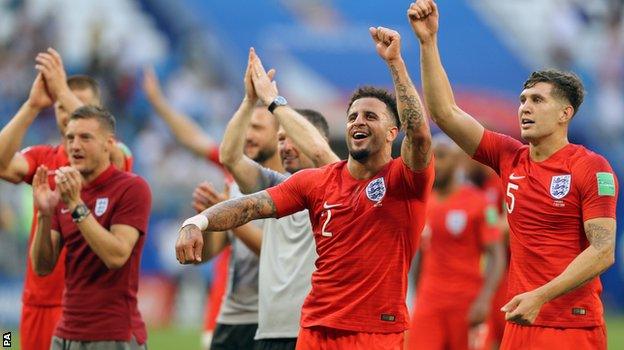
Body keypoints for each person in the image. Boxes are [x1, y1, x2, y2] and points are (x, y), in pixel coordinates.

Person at [176, 26, 434, 350]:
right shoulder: (317, 181)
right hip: (314, 330)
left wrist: (395, 63)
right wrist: (196, 222)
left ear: (392, 132)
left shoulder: (403, 181)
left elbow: (421, 135)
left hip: (374, 334)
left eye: (371, 116)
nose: (358, 121)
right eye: (353, 115)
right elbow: (249, 206)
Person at [409, 1, 618, 348]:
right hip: (521, 321)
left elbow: (603, 251)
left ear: (565, 113)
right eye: (523, 100)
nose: (525, 107)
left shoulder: (590, 167)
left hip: (569, 326)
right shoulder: (509, 157)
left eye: (537, 100)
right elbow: (444, 113)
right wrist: (428, 43)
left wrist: (541, 295)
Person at [0, 48, 133, 350]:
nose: (72, 114)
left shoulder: (117, 155)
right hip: (39, 300)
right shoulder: (43, 157)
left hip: (91, 309)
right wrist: (32, 105)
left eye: (85, 108)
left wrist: (60, 88)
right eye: (63, 105)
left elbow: (115, 155)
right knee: (4, 344)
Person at [144, 66, 282, 349]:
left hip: (278, 317)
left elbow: (276, 252)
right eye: (245, 129)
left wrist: (228, 214)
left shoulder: (300, 183)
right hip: (229, 314)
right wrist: (207, 221)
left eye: (257, 128)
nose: (247, 137)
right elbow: (194, 140)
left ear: (281, 137)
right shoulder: (232, 180)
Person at [216, 48, 339, 349]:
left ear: (314, 141)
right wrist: (249, 102)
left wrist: (273, 100)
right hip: (269, 329)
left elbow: (326, 160)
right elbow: (229, 156)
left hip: (313, 328)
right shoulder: (274, 186)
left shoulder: (339, 185)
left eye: (292, 138)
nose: (284, 146)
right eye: (280, 138)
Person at [30, 106, 151, 349]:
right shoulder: (64, 192)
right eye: (70, 137)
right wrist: (44, 215)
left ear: (109, 144)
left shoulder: (132, 188)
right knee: (6, 343)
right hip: (65, 333)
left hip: (112, 334)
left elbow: (116, 255)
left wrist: (75, 204)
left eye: (85, 137)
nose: (74, 146)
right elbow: (42, 267)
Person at [408, 135, 505, 350]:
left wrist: (484, 299)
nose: (435, 164)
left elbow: (496, 254)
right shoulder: (422, 204)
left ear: (457, 161)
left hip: (467, 303)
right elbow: (421, 255)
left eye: (441, 156)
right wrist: (416, 295)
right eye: (430, 158)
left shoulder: (479, 202)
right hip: (429, 303)